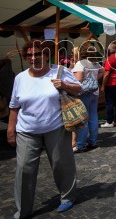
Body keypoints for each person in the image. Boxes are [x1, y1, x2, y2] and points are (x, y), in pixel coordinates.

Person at [7, 40, 82, 218]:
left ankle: (67, 197)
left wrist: (64, 85)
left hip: (55, 127)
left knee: (61, 164)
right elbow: (14, 105)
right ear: (26, 58)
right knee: (24, 169)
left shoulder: (59, 71)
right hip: (27, 130)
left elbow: (79, 89)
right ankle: (23, 210)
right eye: (30, 55)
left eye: (38, 54)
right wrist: (11, 129)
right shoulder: (20, 78)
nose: (34, 58)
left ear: (46, 55)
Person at [73, 41, 104, 153]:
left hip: (84, 93)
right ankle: (93, 141)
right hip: (94, 92)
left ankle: (81, 144)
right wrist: (94, 80)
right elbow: (102, 71)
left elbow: (79, 79)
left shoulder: (81, 64)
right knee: (93, 117)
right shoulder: (95, 63)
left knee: (83, 118)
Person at [101, 43, 116, 127]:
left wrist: (103, 85)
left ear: (109, 50)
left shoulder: (109, 59)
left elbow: (107, 73)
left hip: (111, 83)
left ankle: (110, 121)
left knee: (109, 103)